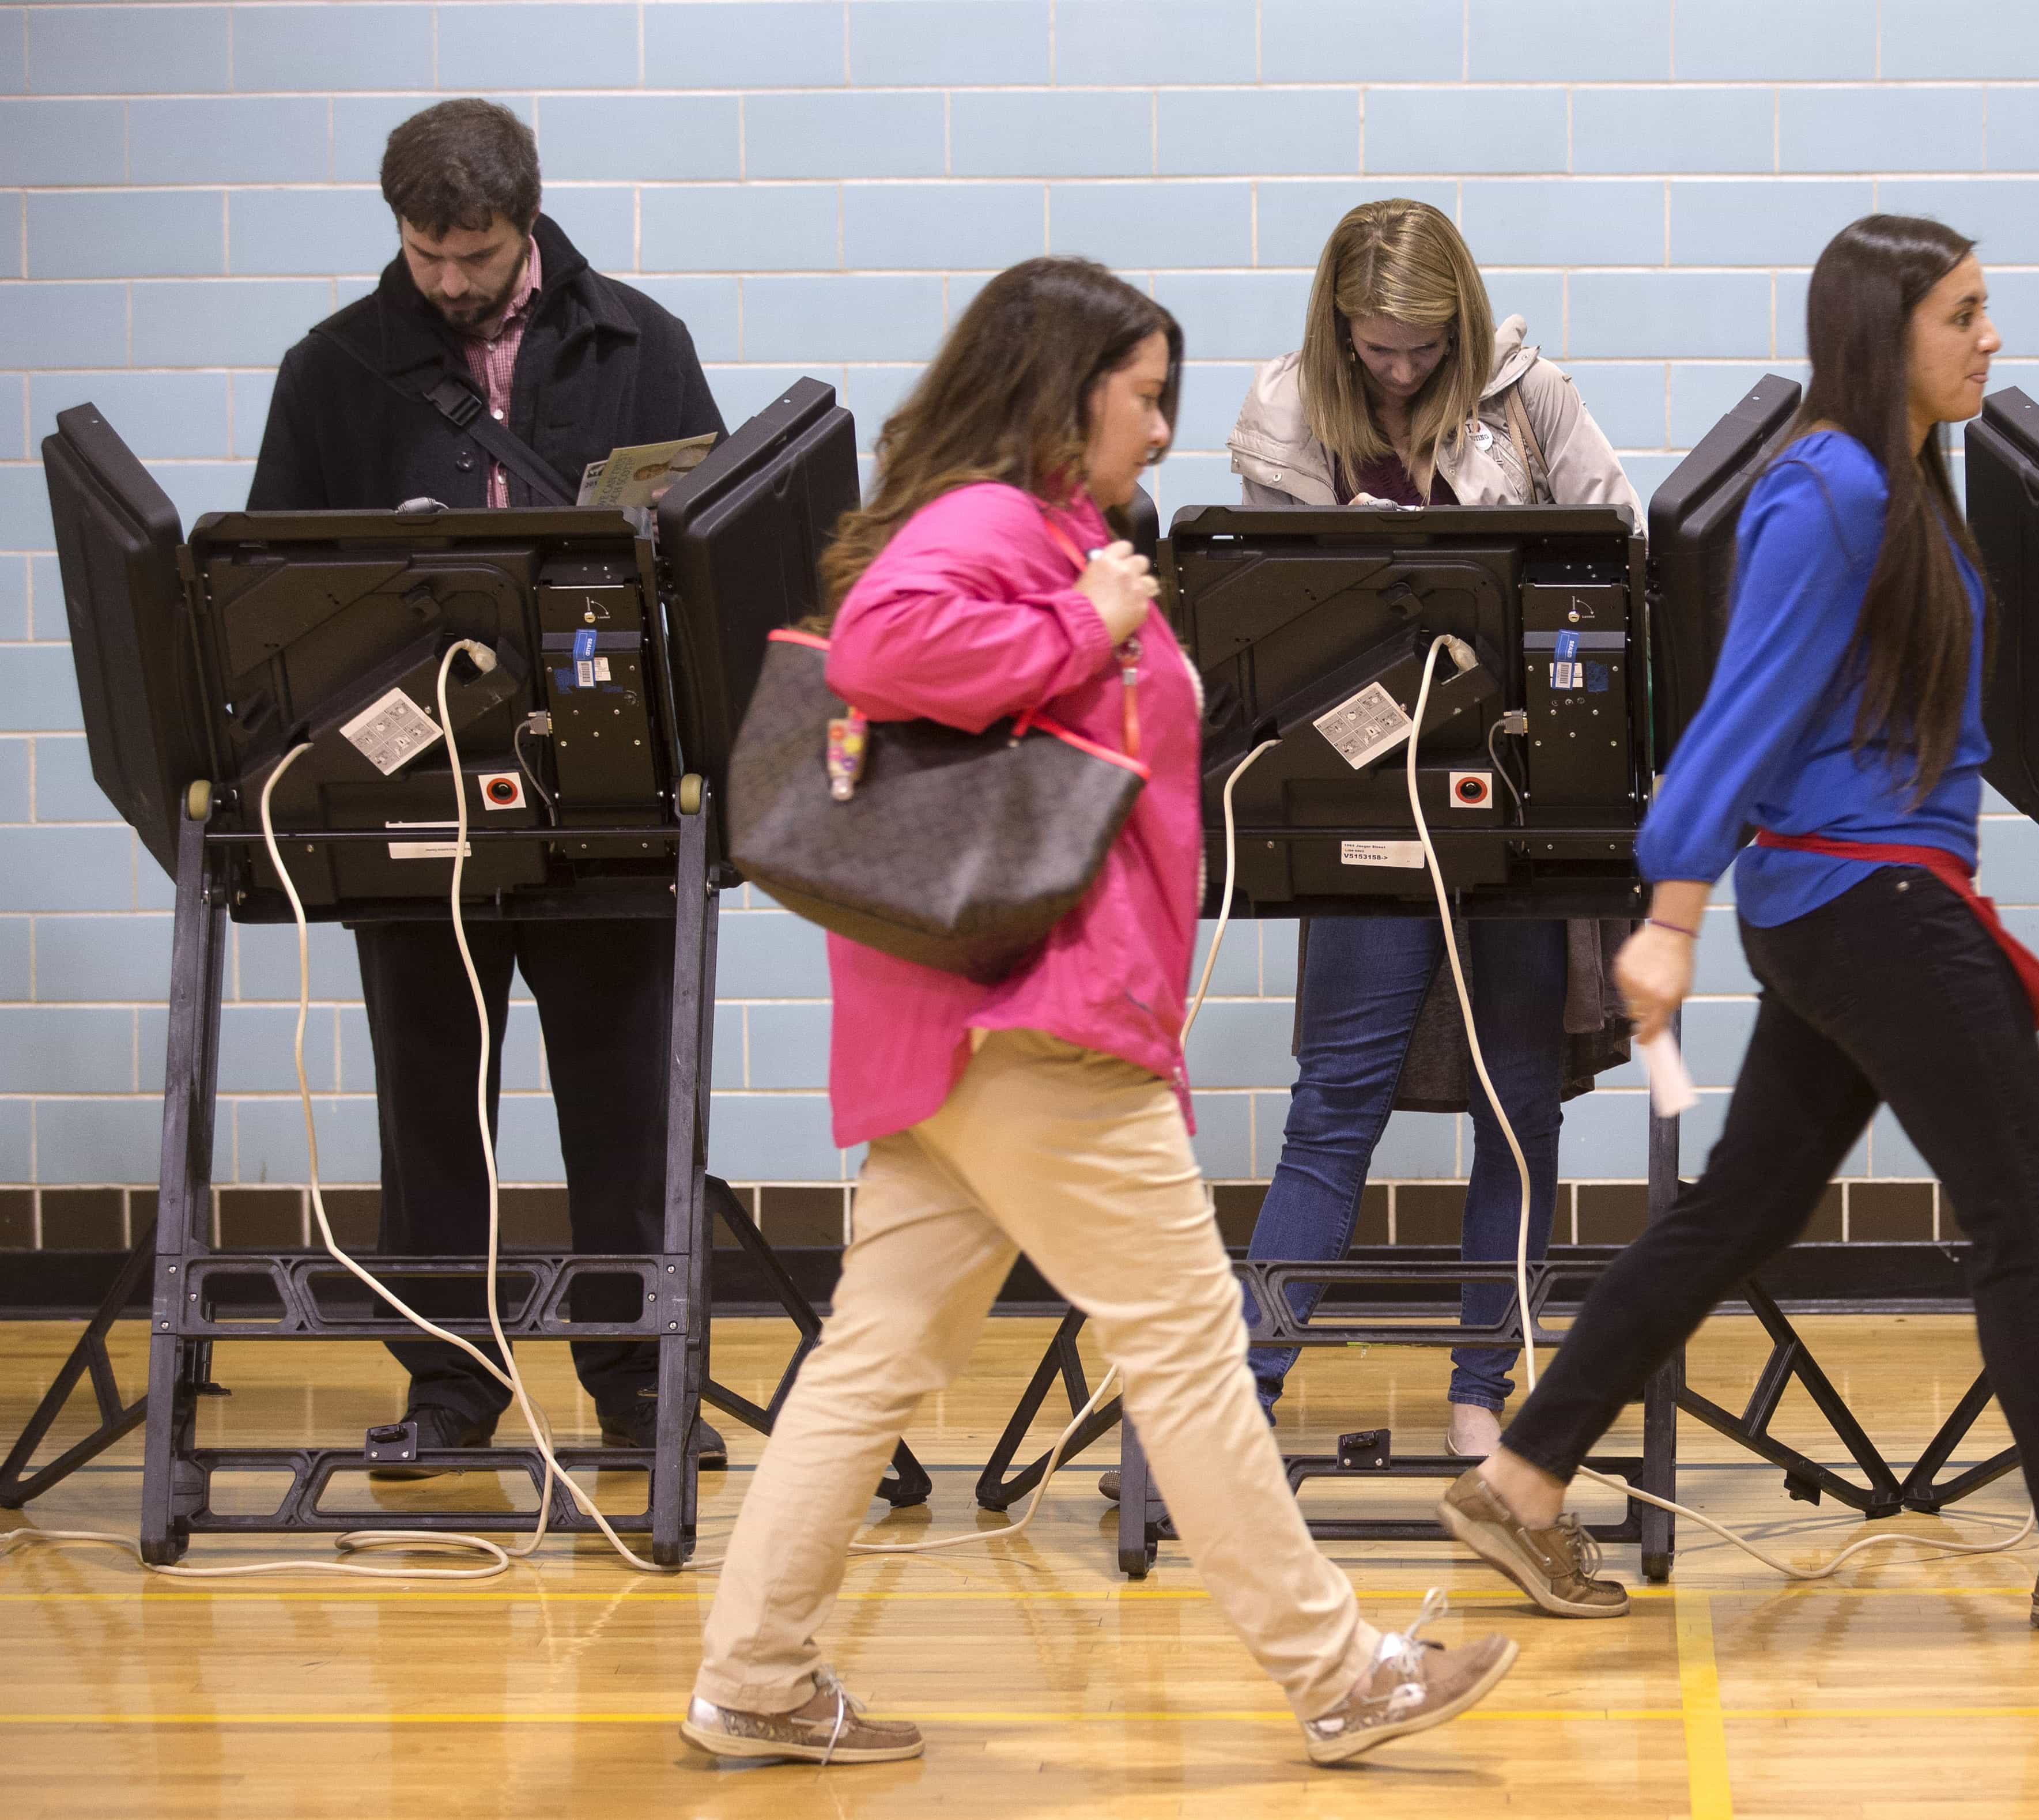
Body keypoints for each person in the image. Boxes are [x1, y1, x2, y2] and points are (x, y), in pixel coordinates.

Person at [684, 256, 1519, 1768]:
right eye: (1142, 396)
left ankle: (750, 1675)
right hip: (1037, 1019)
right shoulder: (1002, 528)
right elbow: (879, 646)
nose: (1159, 428)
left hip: (964, 1028)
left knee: (872, 1355)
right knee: (1190, 1346)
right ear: (1060, 393)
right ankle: (1338, 1670)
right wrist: (1082, 619)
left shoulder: (1051, 530)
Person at [1430, 216, 2039, 1636]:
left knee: (1740, 1211)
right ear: (1886, 333)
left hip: (1862, 900)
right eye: (1963, 312)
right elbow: (1741, 708)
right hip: (1865, 900)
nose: (1989, 335)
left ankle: (1517, 1477)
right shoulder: (1827, 491)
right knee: (2029, 1211)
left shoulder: (1900, 484)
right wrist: (1670, 911)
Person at [244, 99, 727, 1467]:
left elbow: (713, 552)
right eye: (425, 254)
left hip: (608, 785)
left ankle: (640, 1387)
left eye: (476, 254)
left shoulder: (644, 342)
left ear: (528, 222)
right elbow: (277, 592)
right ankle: (449, 1389)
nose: (449, 283)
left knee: (623, 1104)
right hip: (413, 792)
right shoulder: (333, 369)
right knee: (432, 1107)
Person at [1222, 198, 1641, 1459]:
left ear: (1458, 321)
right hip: (1357, 801)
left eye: (1419, 347)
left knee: (1518, 1105)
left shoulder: (1531, 397)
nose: (1398, 370)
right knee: (1333, 1106)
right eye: (1374, 346)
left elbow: (1622, 555)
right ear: (1335, 328)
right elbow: (1259, 624)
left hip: (1508, 800)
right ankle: (1240, 1407)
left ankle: (1480, 1398)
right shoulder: (1291, 411)